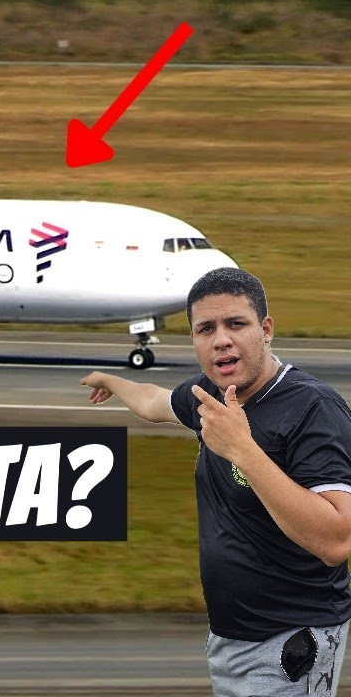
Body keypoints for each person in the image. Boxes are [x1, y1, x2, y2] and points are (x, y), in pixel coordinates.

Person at [81, 267, 351, 696]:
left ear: (266, 330)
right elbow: (154, 402)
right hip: (229, 642)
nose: (221, 339)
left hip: (292, 644)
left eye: (236, 324)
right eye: (206, 329)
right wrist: (110, 381)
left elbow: (336, 540)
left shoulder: (312, 409)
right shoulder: (210, 394)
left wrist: (242, 448)